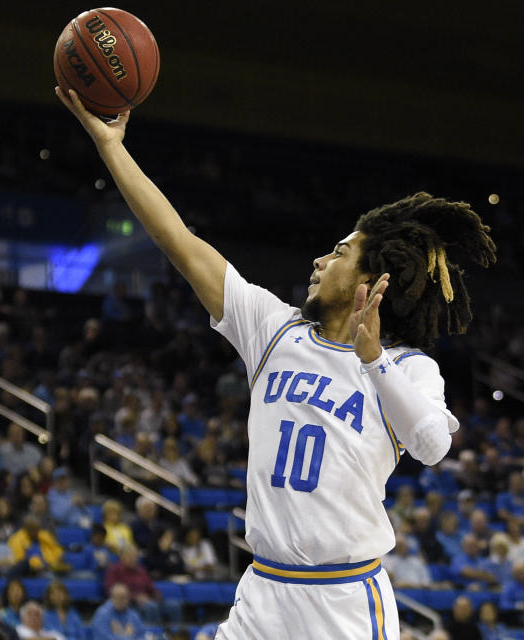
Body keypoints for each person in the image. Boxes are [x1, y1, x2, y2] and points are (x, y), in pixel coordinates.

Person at [57, 86, 496, 639]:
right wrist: (111, 147)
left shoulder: (408, 367)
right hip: (263, 592)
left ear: (369, 279)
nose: (319, 258)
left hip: (345, 599)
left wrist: (374, 359)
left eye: (338, 252)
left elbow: (433, 446)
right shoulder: (274, 328)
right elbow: (179, 241)